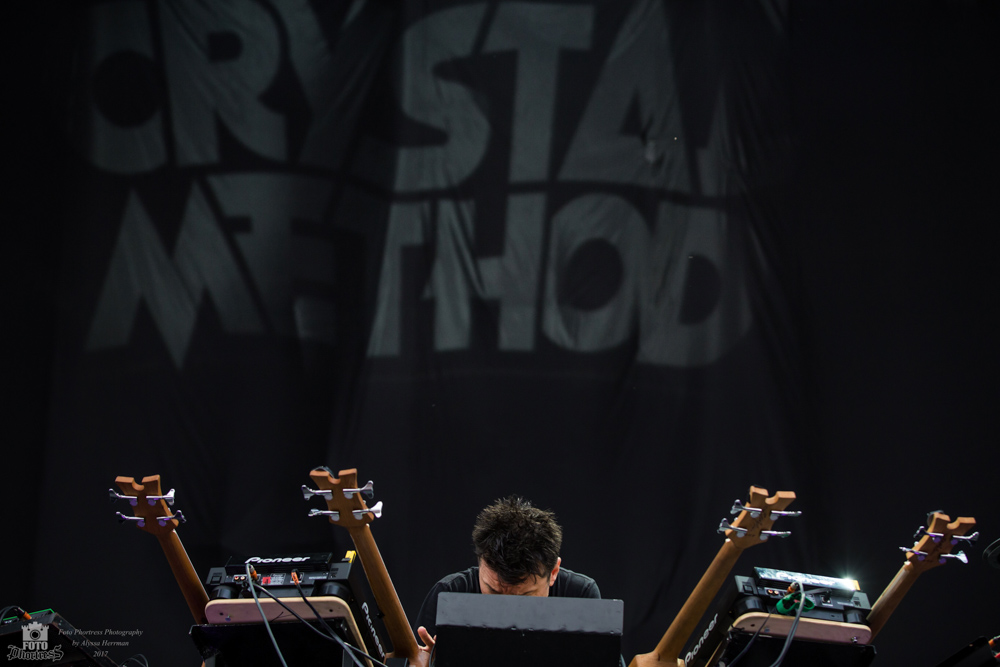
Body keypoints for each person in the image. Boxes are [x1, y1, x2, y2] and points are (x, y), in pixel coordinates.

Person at [415, 495, 601, 652]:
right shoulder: (449, 593)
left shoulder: (580, 596)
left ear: (553, 572)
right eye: (494, 592)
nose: (507, 614)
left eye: (524, 597)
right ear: (480, 563)